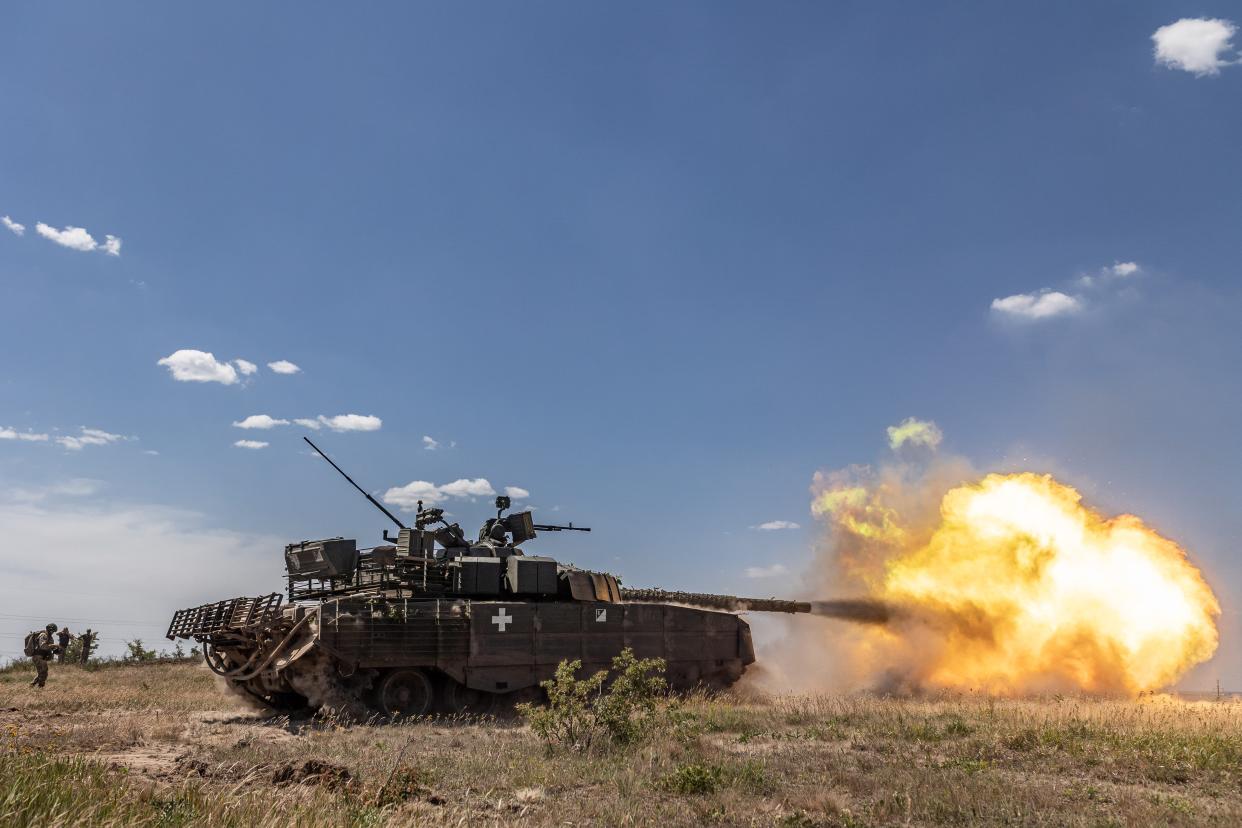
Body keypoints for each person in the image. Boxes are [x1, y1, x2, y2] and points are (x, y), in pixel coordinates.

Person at [29, 623, 61, 688]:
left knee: (43, 672)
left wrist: (56, 650)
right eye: (52, 631)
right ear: (49, 629)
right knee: (43, 672)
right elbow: (42, 646)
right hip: (37, 656)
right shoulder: (43, 635)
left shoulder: (51, 638)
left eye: (54, 631)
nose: (52, 632)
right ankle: (40, 686)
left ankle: (33, 685)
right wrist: (54, 645)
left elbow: (50, 649)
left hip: (42, 657)